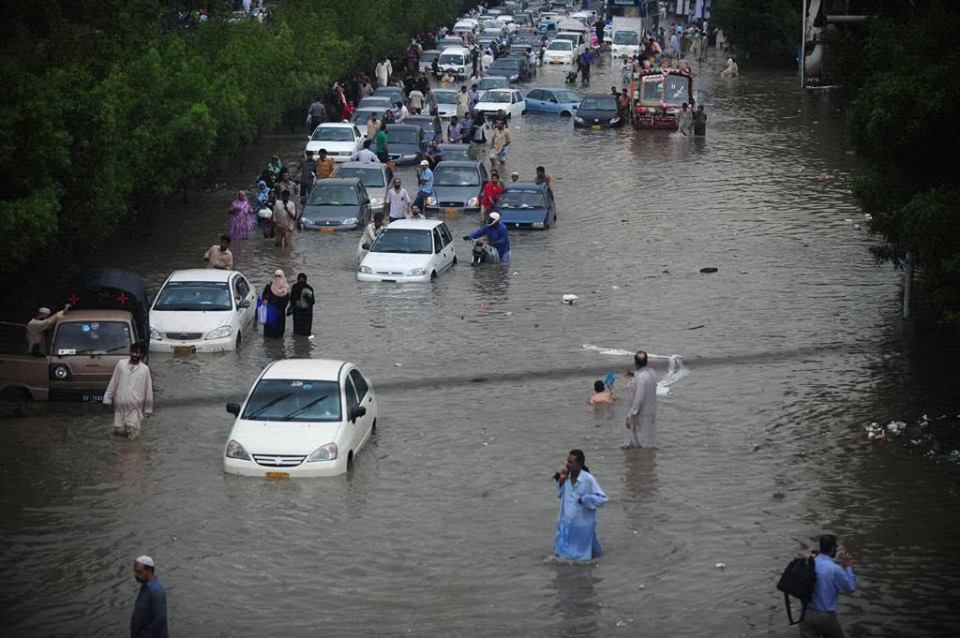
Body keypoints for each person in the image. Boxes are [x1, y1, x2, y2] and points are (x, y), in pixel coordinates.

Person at [553, 449, 607, 561]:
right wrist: (561, 481)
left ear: (579, 464)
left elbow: (602, 499)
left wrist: (585, 500)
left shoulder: (588, 479)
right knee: (562, 556)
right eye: (567, 461)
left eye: (571, 462)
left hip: (582, 525)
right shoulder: (566, 478)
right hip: (566, 523)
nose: (568, 465)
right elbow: (559, 495)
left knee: (581, 559)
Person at [801, 534, 857, 638]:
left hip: (806, 615)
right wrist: (848, 567)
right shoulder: (834, 569)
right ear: (832, 548)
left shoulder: (809, 563)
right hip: (825, 617)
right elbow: (851, 588)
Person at [103, 343, 153, 440]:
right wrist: (107, 398)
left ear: (141, 355)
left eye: (137, 353)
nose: (134, 355)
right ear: (130, 352)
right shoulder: (121, 364)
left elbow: (148, 389)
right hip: (120, 404)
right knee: (119, 431)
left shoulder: (144, 369)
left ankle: (132, 452)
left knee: (132, 430)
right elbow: (114, 382)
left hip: (135, 406)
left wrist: (148, 408)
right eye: (133, 352)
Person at [623, 350, 657, 449]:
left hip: (640, 414)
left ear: (635, 362)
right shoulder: (652, 373)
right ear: (646, 361)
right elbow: (644, 377)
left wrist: (630, 416)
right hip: (651, 411)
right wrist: (634, 375)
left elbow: (639, 398)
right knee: (649, 438)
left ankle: (641, 460)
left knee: (640, 442)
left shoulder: (640, 379)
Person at [130, 555, 168, 638]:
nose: (135, 575)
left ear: (149, 571)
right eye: (135, 571)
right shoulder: (145, 585)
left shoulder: (156, 591)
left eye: (139, 572)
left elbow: (159, 621)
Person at [261, 270, 290, 338]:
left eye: (279, 276)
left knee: (278, 335)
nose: (277, 278)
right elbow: (264, 295)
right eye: (276, 276)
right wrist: (265, 299)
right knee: (268, 335)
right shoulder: (269, 285)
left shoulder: (285, 289)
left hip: (280, 314)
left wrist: (279, 309)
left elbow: (286, 301)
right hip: (270, 312)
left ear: (283, 277)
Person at [288, 273, 315, 337]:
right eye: (300, 280)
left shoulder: (307, 288)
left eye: (302, 280)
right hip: (302, 313)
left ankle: (301, 344)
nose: (301, 282)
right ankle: (301, 344)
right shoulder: (307, 288)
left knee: (301, 332)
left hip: (303, 313)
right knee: (301, 333)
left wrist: (306, 298)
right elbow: (292, 299)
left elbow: (312, 302)